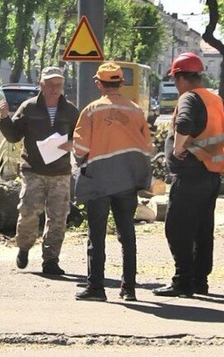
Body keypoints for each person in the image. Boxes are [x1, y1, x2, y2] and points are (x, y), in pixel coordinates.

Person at [153, 52, 224, 298]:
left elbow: (185, 124)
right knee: (202, 229)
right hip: (210, 174)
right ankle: (200, 281)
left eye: (175, 79)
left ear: (180, 78)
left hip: (190, 175)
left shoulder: (190, 98)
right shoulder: (213, 97)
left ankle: (182, 281)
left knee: (177, 228)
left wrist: (180, 147)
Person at [72, 62, 152, 302]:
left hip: (99, 181)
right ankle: (129, 289)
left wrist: (80, 160)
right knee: (127, 234)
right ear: (121, 83)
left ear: (99, 84)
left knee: (96, 235)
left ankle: (96, 288)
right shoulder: (136, 111)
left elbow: (81, 147)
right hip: (126, 180)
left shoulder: (91, 110)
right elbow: (146, 146)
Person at [0, 66, 79, 276]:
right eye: (50, 84)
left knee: (58, 217)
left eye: (58, 85)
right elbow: (14, 136)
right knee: (28, 211)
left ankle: (51, 259)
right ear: (41, 85)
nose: (55, 89)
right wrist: (5, 118)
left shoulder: (70, 110)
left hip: (60, 171)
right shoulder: (29, 107)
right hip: (33, 169)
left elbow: (81, 135)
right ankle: (24, 247)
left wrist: (72, 143)